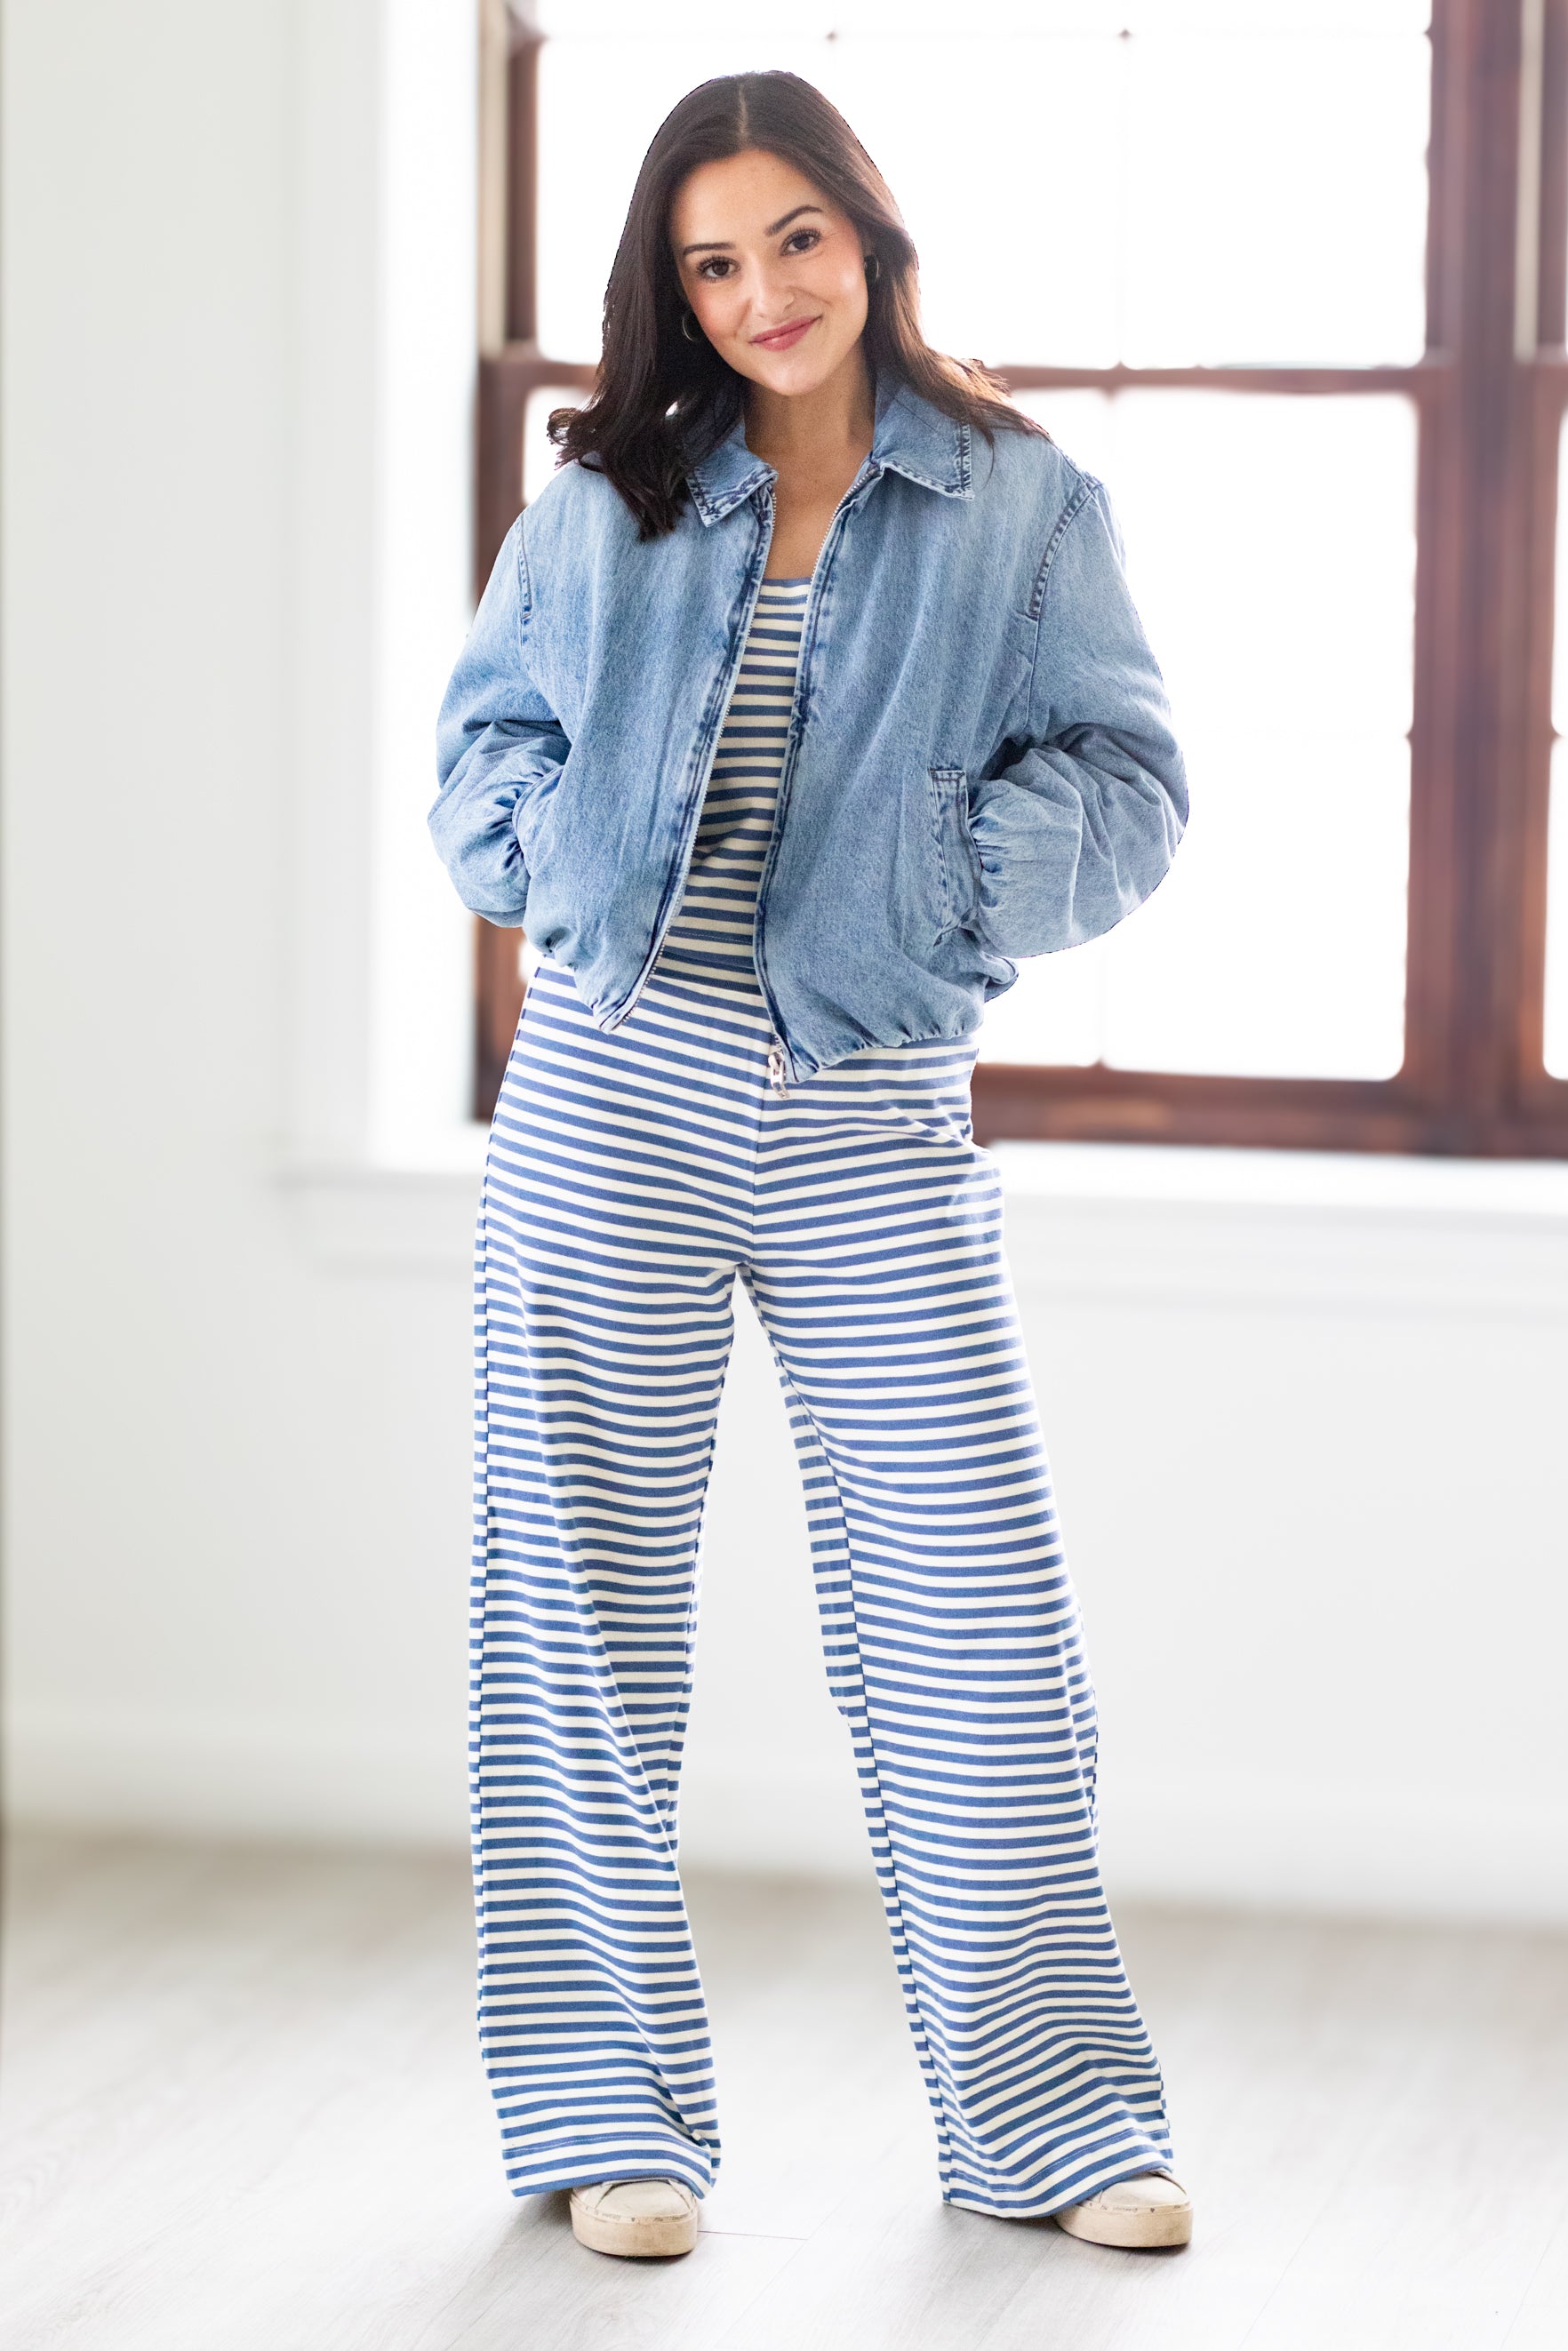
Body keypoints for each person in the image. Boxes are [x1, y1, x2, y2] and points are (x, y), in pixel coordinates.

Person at [430, 69, 1191, 2264]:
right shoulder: (607, 498)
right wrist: (561, 866)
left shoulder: (1023, 501)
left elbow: (1133, 784)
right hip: (609, 1092)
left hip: (873, 1109)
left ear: (869, 236)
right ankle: (607, 2120)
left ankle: (1051, 2127)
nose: (762, 292)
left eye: (794, 239)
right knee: (576, 1617)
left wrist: (951, 876)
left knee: (973, 1614)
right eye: (711, 260)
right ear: (672, 291)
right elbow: (483, 748)